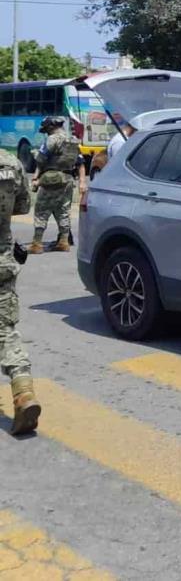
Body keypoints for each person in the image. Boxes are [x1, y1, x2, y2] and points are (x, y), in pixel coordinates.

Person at [0, 147, 41, 434]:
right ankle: (24, 392)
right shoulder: (11, 162)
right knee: (6, 330)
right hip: (2, 261)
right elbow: (23, 205)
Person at [29, 117, 86, 254]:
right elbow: (80, 162)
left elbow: (41, 159)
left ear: (50, 127)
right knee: (63, 211)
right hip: (67, 179)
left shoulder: (52, 139)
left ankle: (37, 244)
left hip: (51, 179)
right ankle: (63, 242)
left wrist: (34, 153)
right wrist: (82, 181)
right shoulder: (72, 140)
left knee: (41, 211)